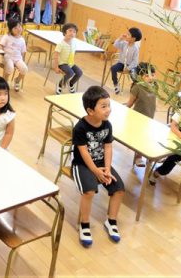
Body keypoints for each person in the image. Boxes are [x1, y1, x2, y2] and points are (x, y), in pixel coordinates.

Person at [72, 86, 125, 247]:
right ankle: (84, 224)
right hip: (82, 164)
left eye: (109, 105)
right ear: (90, 111)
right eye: (103, 106)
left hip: (101, 163)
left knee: (119, 189)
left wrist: (107, 168)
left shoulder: (107, 125)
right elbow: (83, 152)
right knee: (89, 191)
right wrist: (95, 171)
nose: (108, 110)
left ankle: (111, 221)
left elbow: (108, 147)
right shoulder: (80, 127)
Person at [125, 62, 157, 167]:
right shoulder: (137, 87)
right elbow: (130, 103)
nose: (151, 78)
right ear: (140, 77)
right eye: (147, 75)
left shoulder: (155, 86)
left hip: (149, 117)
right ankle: (138, 157)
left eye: (153, 75)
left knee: (146, 137)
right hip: (138, 117)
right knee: (139, 138)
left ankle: (146, 156)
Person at [0, 19, 28, 91]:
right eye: (15, 28)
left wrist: (21, 61)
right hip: (8, 57)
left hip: (18, 58)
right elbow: (0, 45)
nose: (18, 29)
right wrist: (2, 53)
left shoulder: (22, 40)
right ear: (10, 30)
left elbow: (23, 52)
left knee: (24, 69)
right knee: (10, 67)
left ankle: (17, 80)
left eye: (19, 27)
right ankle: (5, 81)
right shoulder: (7, 37)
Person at [53, 23, 83, 95]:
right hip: (62, 64)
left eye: (74, 32)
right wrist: (56, 67)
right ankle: (60, 85)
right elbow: (56, 56)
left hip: (70, 63)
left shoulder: (74, 43)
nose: (72, 33)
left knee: (79, 72)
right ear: (64, 32)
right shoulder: (61, 44)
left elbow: (73, 52)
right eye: (70, 31)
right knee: (70, 73)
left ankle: (71, 84)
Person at [110, 27, 142, 94]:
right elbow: (115, 45)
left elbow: (135, 61)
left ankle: (136, 88)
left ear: (133, 38)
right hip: (121, 63)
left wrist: (128, 68)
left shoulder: (136, 49)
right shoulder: (124, 43)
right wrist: (120, 38)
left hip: (131, 66)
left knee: (133, 75)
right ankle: (116, 84)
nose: (126, 35)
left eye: (128, 34)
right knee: (113, 68)